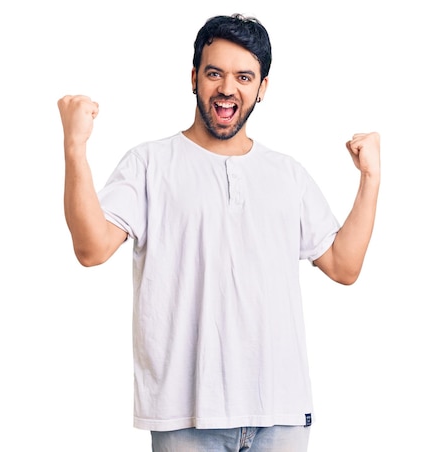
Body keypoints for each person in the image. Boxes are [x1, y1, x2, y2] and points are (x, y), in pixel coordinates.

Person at [57, 13, 380, 452]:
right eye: (215, 73)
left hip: (281, 414)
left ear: (262, 87)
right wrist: (75, 147)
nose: (228, 88)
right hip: (185, 415)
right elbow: (91, 248)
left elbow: (344, 266)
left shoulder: (287, 174)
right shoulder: (149, 164)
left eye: (244, 76)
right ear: (194, 78)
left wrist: (370, 179)